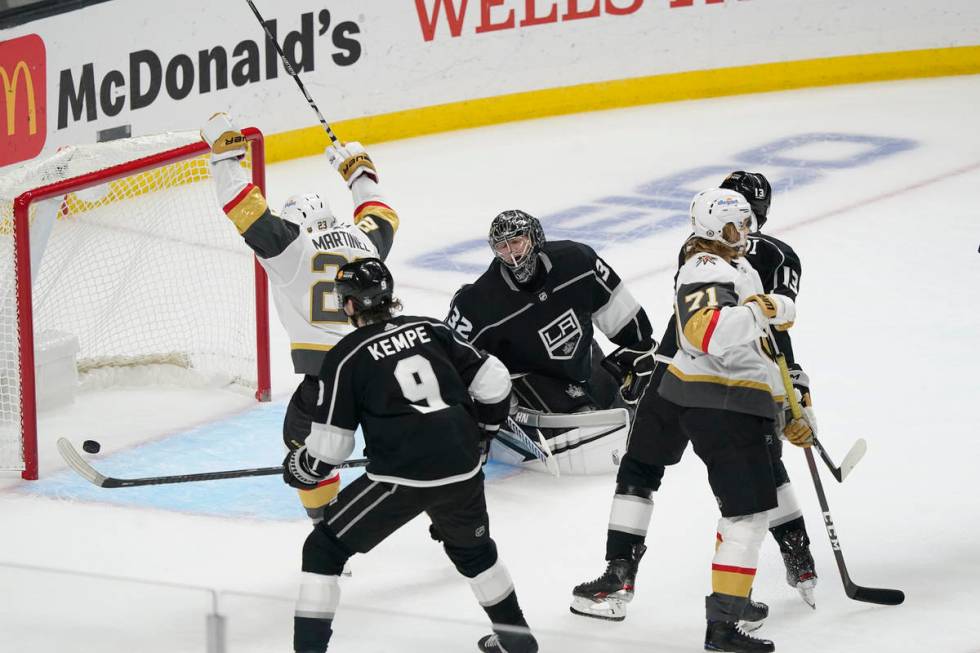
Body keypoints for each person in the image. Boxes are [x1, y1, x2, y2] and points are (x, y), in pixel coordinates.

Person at [569, 173, 819, 628]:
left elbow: (772, 332)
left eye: (748, 215)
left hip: (705, 372)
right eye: (736, 217)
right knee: (655, 467)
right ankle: (623, 574)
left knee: (744, 476)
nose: (745, 225)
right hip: (696, 371)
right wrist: (791, 399)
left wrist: (793, 397)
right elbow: (740, 325)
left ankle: (789, 554)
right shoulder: (713, 258)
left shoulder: (742, 255)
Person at [282, 258, 538, 653]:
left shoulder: (346, 356)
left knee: (324, 549)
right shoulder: (430, 328)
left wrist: (303, 467)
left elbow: (332, 448)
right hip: (463, 467)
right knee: (475, 554)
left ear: (349, 305)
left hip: (401, 479)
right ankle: (518, 641)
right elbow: (495, 381)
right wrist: (483, 434)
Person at [201, 113, 399, 522]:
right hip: (382, 362)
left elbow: (244, 206)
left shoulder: (292, 247)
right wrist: (359, 172)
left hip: (327, 376)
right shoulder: (362, 239)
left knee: (305, 447)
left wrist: (225, 155)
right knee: (402, 432)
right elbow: (383, 216)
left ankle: (327, 529)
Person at [446, 209, 656, 474]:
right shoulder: (478, 303)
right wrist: (487, 396)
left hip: (580, 358)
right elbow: (450, 358)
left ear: (535, 237)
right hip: (528, 376)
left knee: (618, 401)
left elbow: (621, 313)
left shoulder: (577, 260)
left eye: (517, 241)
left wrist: (639, 348)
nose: (512, 254)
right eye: (503, 246)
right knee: (585, 414)